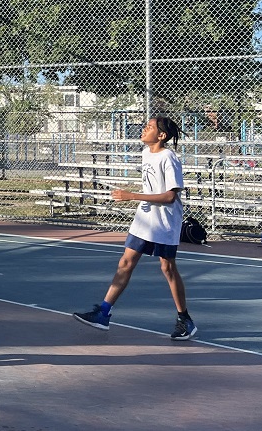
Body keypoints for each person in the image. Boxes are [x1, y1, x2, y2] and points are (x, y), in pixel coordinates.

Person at [74, 116, 196, 340]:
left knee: (167, 268)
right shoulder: (146, 153)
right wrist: (137, 199)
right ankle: (103, 312)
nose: (144, 129)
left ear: (161, 135)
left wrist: (131, 196)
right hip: (144, 219)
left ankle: (185, 319)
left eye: (149, 127)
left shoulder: (168, 158)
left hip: (165, 222)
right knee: (126, 262)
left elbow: (170, 196)